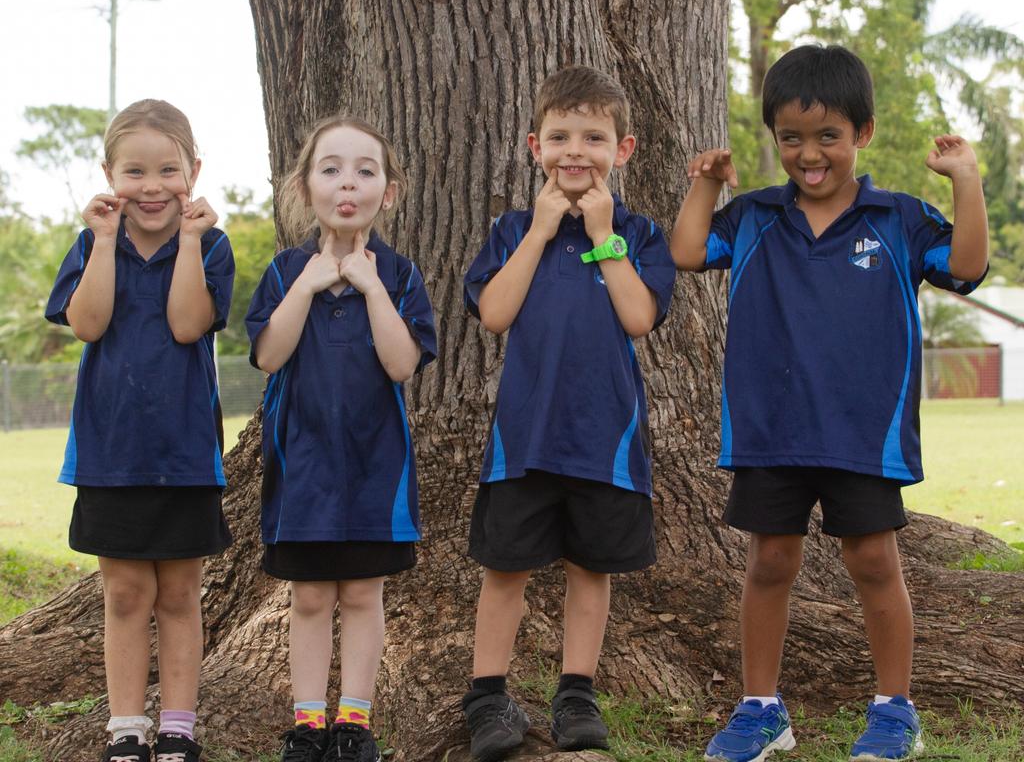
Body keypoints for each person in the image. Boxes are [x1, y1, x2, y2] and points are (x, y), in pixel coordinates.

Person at [670, 44, 989, 762]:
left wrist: (966, 180)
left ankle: (895, 709)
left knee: (875, 561)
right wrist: (706, 186)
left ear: (862, 134)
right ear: (775, 139)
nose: (810, 155)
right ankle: (759, 710)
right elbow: (688, 253)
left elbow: (966, 267)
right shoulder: (754, 217)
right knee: (770, 562)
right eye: (791, 138)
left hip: (862, 435)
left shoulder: (898, 219)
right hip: (769, 431)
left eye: (827, 137)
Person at [460, 65, 676, 762]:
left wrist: (605, 236)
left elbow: (639, 315)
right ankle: (487, 695)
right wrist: (542, 230)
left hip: (604, 440)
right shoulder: (513, 229)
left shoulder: (638, 234)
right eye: (559, 136)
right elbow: (494, 312)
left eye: (593, 136)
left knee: (592, 568)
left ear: (624, 149)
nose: (574, 150)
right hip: (523, 439)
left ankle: (576, 692)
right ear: (534, 146)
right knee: (506, 569)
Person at [45, 99, 235, 762]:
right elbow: (89, 323)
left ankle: (179, 728)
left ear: (194, 170)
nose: (151, 186)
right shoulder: (90, 245)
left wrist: (186, 240)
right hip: (111, 452)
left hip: (185, 454)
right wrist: (100, 242)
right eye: (134, 171)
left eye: (167, 169)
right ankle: (126, 729)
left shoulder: (210, 244)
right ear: (109, 173)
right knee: (126, 594)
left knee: (180, 593)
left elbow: (188, 324)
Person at [245, 115, 437, 762]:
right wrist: (308, 284)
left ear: (389, 191)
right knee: (309, 598)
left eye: (365, 169)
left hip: (375, 469)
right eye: (330, 169)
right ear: (305, 186)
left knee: (360, 593)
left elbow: (400, 363)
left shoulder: (401, 275)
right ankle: (308, 724)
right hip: (301, 468)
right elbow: (270, 355)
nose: (346, 183)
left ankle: (353, 721)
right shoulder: (283, 272)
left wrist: (370, 285)